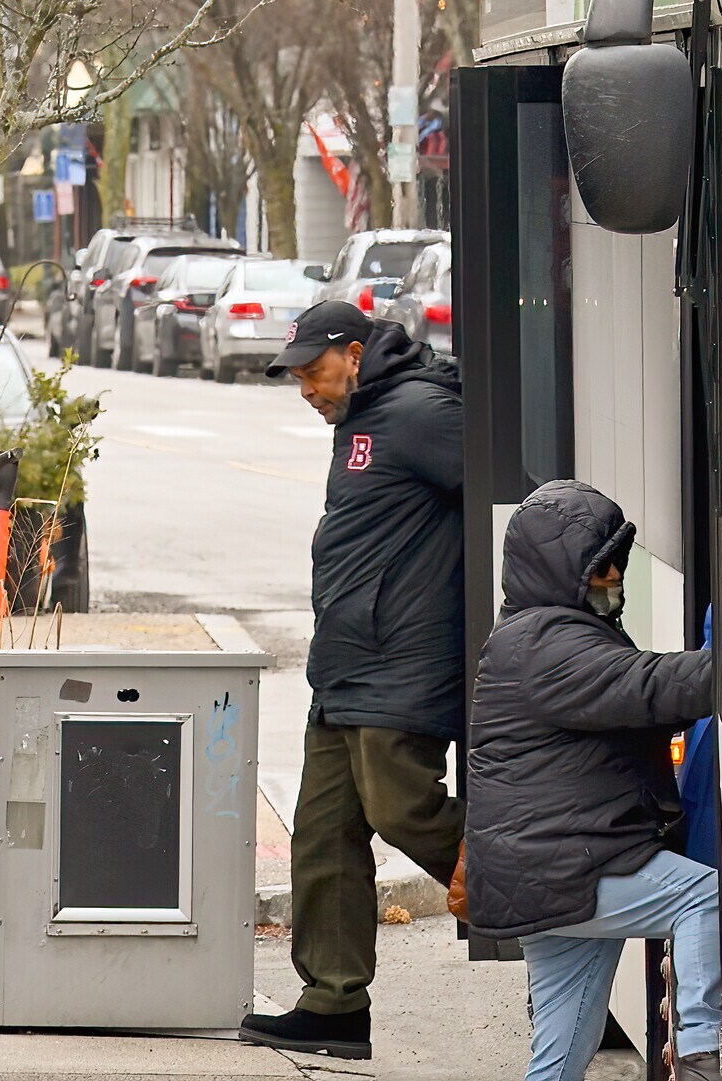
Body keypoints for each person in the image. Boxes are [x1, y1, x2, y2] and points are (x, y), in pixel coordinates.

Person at [239, 300, 467, 1061]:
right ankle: (334, 1004)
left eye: (313, 370)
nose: (306, 387)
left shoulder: (419, 410)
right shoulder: (364, 421)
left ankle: (534, 877)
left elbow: (510, 492)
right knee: (324, 836)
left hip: (401, 665)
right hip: (345, 668)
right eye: (298, 375)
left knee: (402, 806)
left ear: (355, 352)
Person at [465, 480, 719, 1081]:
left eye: (616, 565)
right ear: (566, 572)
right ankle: (703, 1052)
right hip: (567, 868)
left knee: (558, 1062)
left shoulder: (538, 633)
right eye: (603, 567)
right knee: (700, 895)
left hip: (541, 872)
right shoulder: (546, 645)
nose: (614, 578)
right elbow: (651, 688)